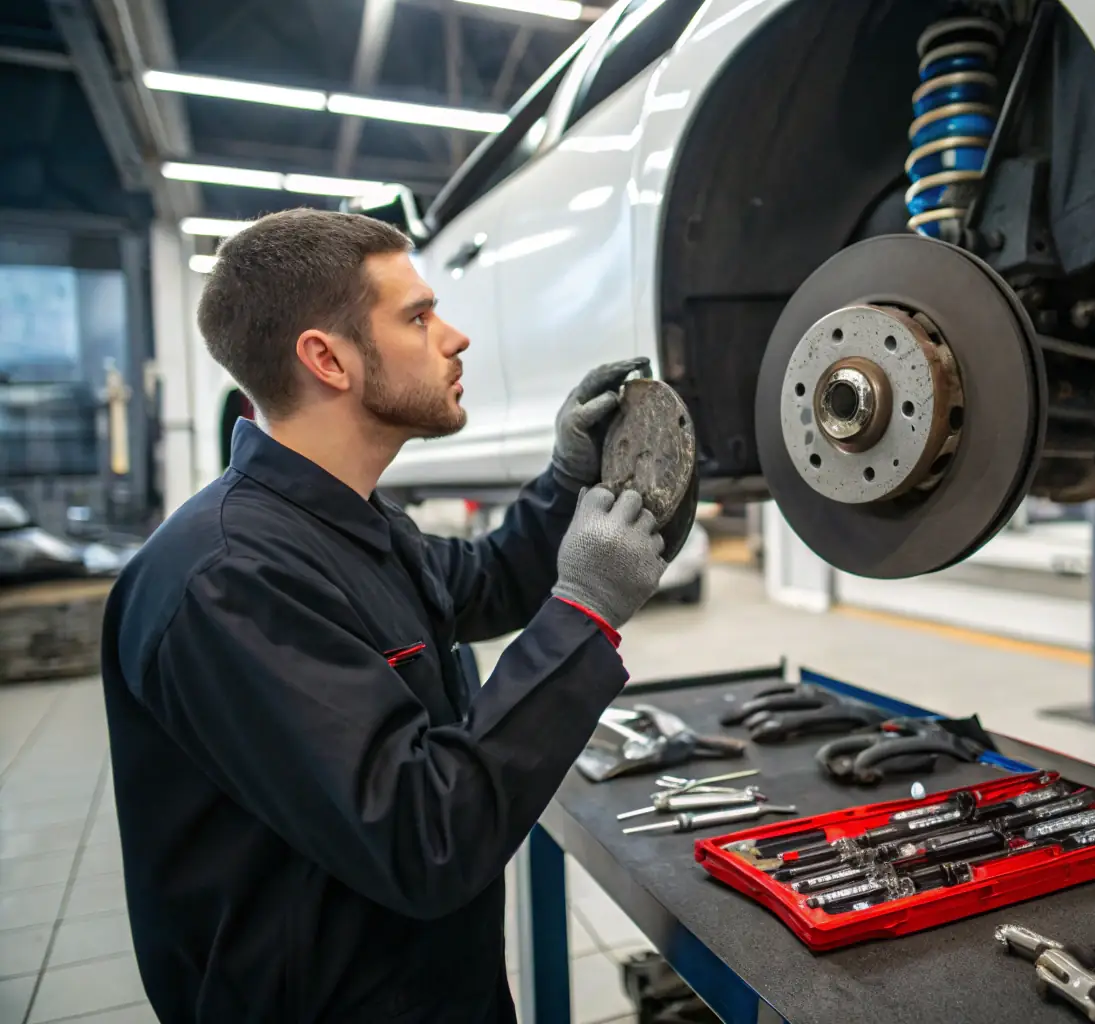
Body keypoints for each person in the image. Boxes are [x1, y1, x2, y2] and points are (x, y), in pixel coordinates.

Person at [100, 208, 672, 1023]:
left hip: (427, 984)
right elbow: (425, 834)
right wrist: (585, 611)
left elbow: (486, 581)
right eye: (418, 316)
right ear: (326, 359)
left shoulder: (345, 524)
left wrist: (564, 481)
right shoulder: (228, 580)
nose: (455, 337)